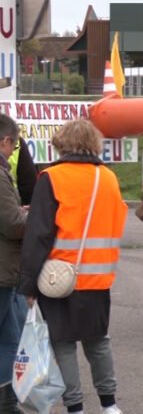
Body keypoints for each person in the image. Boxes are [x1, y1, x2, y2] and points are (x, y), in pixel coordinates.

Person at [18, 119, 128, 414]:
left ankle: (76, 407)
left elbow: (39, 234)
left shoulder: (51, 178)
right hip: (98, 277)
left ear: (61, 143)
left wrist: (27, 285)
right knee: (98, 341)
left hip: (59, 278)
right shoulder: (108, 178)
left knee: (63, 344)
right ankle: (110, 404)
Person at [0, 115, 26, 412]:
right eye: (14, 146)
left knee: (11, 338)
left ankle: (8, 402)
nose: (14, 151)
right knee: (8, 337)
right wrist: (32, 217)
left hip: (6, 270)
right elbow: (12, 224)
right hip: (3, 269)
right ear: (5, 140)